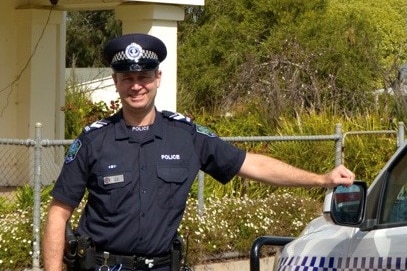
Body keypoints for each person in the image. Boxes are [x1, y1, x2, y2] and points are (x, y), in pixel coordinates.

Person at [43, 33, 355, 271]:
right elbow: (58, 213)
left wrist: (319, 179)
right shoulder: (94, 140)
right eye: (127, 78)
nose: (136, 86)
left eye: (144, 77)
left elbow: (252, 164)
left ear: (157, 79)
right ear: (115, 82)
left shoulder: (186, 136)